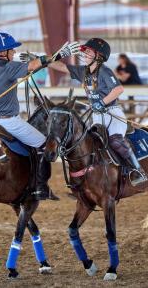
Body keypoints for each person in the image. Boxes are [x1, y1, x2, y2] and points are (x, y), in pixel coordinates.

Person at [22, 38, 147, 186]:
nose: (85, 54)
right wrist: (40, 61)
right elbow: (62, 67)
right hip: (97, 116)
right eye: (85, 52)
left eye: (88, 52)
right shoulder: (84, 71)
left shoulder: (104, 71)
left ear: (99, 56)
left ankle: (137, 170)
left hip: (112, 114)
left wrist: (102, 102)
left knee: (115, 140)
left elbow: (118, 89)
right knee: (89, 143)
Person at [0, 32, 80, 200]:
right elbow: (34, 65)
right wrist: (59, 55)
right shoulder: (8, 67)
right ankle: (40, 187)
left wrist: (32, 62)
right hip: (8, 122)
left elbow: (26, 68)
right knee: (45, 144)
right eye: (11, 50)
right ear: (2, 52)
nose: (13, 53)